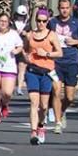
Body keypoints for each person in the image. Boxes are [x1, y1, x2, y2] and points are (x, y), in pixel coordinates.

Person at [48, 0, 78, 133]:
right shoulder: (52, 22)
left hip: (71, 61)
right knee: (56, 91)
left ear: (70, 8)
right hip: (56, 62)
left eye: (66, 8)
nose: (64, 10)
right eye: (62, 8)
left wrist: (74, 42)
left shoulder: (76, 23)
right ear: (58, 9)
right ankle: (58, 122)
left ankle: (62, 111)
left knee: (70, 97)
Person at [22, 8, 62, 145]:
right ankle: (33, 132)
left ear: (47, 21)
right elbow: (25, 48)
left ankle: (41, 126)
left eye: (44, 21)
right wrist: (26, 56)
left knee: (44, 106)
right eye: (38, 21)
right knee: (34, 102)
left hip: (46, 73)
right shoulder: (30, 35)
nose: (41, 24)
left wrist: (46, 54)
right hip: (32, 71)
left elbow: (59, 53)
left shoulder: (52, 35)